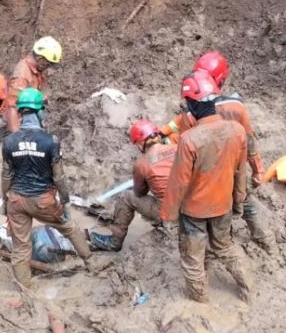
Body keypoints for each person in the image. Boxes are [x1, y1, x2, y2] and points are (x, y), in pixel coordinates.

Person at [159, 51, 276, 252]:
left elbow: (185, 149)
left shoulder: (191, 113)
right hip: (231, 171)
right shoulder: (236, 107)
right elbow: (249, 142)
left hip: (204, 178)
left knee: (199, 219)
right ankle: (267, 244)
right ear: (221, 80)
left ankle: (209, 251)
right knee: (246, 204)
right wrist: (258, 170)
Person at [162, 70, 251, 303]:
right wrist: (239, 201)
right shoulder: (237, 131)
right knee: (226, 247)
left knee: (193, 259)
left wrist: (168, 215)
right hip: (223, 204)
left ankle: (200, 304)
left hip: (194, 211)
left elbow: (178, 183)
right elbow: (241, 172)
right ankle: (248, 289)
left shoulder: (189, 139)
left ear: (191, 104)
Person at [1, 88, 103, 289]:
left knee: (21, 247)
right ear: (39, 112)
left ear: (21, 112)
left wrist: (6, 203)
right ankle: (92, 263)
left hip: (17, 200)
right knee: (69, 228)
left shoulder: (9, 141)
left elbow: (6, 175)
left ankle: (24, 287)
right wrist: (64, 202)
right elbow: (59, 176)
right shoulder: (50, 141)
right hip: (43, 201)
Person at [89, 119, 177, 252]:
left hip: (168, 212)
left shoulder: (142, 163)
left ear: (141, 142)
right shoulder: (178, 148)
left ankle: (114, 242)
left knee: (126, 196)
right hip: (192, 208)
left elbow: (139, 192)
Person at [6, 37, 62, 132]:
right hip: (24, 122)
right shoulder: (22, 76)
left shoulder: (35, 70)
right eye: (48, 64)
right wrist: (17, 136)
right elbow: (12, 107)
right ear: (40, 59)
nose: (48, 67)